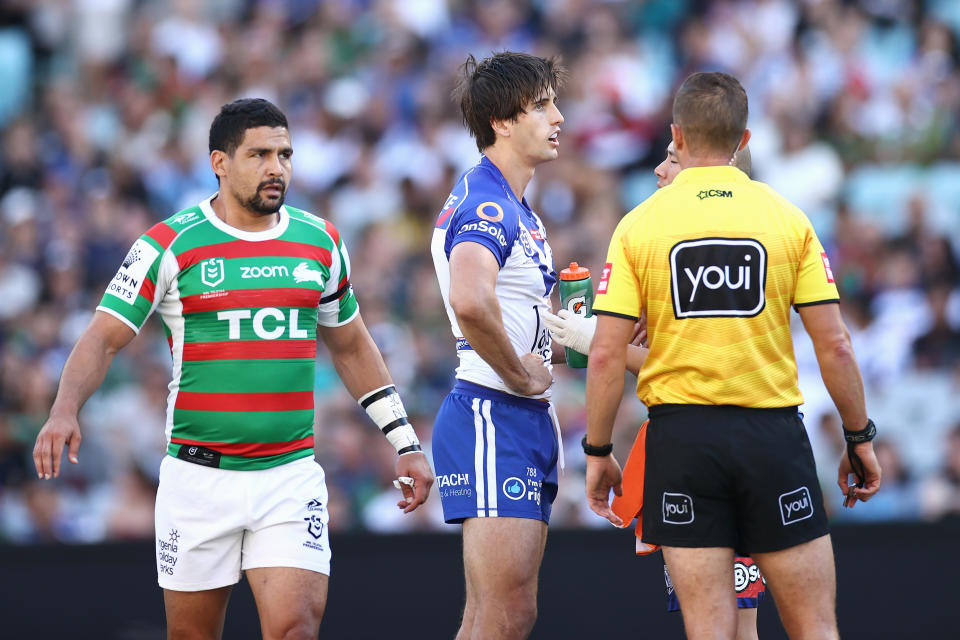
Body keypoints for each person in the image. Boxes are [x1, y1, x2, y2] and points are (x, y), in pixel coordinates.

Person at [32, 98, 434, 640]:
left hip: (288, 475)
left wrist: (404, 439)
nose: (277, 167)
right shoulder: (169, 243)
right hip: (197, 479)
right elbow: (103, 339)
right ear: (219, 162)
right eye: (260, 154)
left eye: (285, 154)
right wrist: (63, 410)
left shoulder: (321, 241)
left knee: (294, 628)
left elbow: (352, 347)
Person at [583, 72, 882, 640]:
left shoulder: (639, 225)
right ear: (744, 140)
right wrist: (859, 436)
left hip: (682, 442)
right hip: (770, 436)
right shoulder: (788, 219)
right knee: (815, 628)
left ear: (676, 134)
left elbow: (603, 356)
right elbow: (836, 344)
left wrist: (598, 450)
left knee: (710, 632)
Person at [543, 141, 766, 640]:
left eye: (673, 158)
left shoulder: (696, 243)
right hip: (740, 439)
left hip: (708, 443)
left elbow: (702, 364)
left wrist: (603, 343)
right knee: (733, 617)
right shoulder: (728, 238)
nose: (660, 169)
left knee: (720, 623)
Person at [430, 51, 565, 640]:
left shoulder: (515, 204)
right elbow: (469, 300)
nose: (558, 117)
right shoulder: (487, 200)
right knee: (506, 614)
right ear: (502, 123)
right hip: (493, 410)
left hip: (519, 416)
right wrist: (519, 375)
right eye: (542, 105)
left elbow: (527, 321)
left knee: (501, 613)